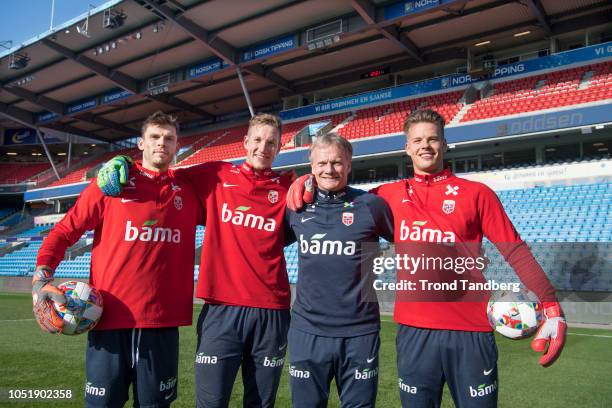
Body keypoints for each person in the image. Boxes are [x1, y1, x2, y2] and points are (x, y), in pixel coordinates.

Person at [287, 109, 567, 408]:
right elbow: (340, 195)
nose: (425, 146)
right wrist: (306, 182)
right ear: (407, 148)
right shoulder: (386, 197)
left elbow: (516, 251)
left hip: (471, 331)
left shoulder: (477, 194)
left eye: (433, 139)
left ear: (444, 144)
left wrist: (551, 304)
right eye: (417, 140)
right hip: (414, 333)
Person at [97, 113, 293, 408]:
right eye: (257, 140)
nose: (263, 148)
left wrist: (308, 180)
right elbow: (161, 172)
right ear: (245, 142)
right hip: (221, 309)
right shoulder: (215, 174)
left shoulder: (290, 188)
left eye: (271, 143)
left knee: (261, 404)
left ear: (279, 148)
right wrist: (126, 162)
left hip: (271, 312)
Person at [33, 111, 203, 407]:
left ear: (178, 146)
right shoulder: (111, 183)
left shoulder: (189, 190)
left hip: (161, 323)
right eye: (154, 137)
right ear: (140, 143)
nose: (161, 143)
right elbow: (66, 230)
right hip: (108, 319)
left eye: (169, 138)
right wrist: (41, 276)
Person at [285, 133, 394, 407]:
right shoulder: (296, 208)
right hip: (307, 331)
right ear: (311, 166)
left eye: (336, 162)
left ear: (349, 165)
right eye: (322, 163)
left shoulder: (372, 205)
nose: (329, 169)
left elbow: (410, 240)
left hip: (360, 334)